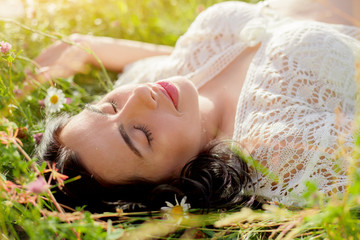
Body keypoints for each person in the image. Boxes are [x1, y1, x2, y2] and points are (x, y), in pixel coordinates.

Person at [34, 0, 360, 212]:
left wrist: (89, 46)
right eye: (141, 134)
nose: (139, 98)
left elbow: (163, 60)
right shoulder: (282, 151)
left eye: (106, 107)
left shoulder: (161, 81)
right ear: (175, 183)